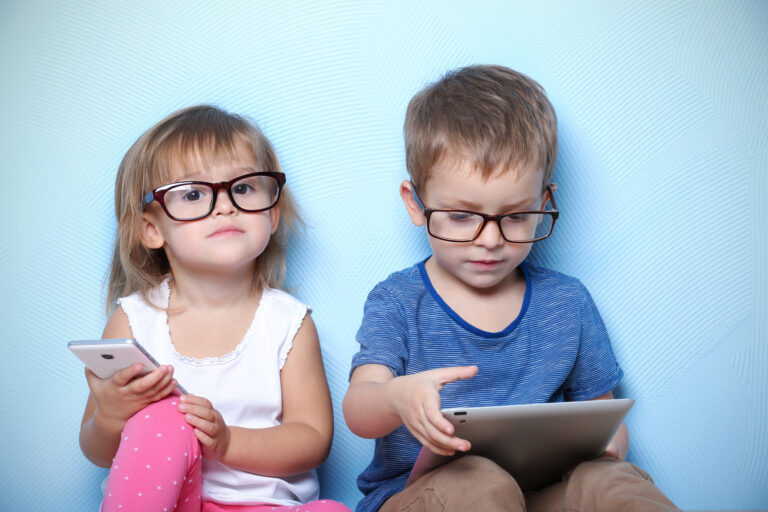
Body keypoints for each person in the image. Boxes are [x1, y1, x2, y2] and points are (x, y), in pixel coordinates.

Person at [343, 65, 679, 512]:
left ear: (543, 205)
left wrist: (608, 450)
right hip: (418, 497)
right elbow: (358, 410)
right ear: (416, 205)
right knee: (479, 482)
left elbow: (604, 418)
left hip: (537, 494)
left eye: (516, 217)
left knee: (611, 482)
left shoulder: (568, 302)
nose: (490, 240)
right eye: (462, 216)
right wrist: (395, 398)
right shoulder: (399, 300)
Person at [79, 105, 349, 512]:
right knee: (164, 418)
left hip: (268, 506)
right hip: (171, 503)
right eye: (193, 194)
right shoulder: (134, 321)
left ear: (272, 212)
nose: (225, 206)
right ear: (152, 229)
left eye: (242, 188)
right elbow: (97, 451)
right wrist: (111, 417)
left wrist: (228, 442)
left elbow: (312, 438)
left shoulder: (287, 322)